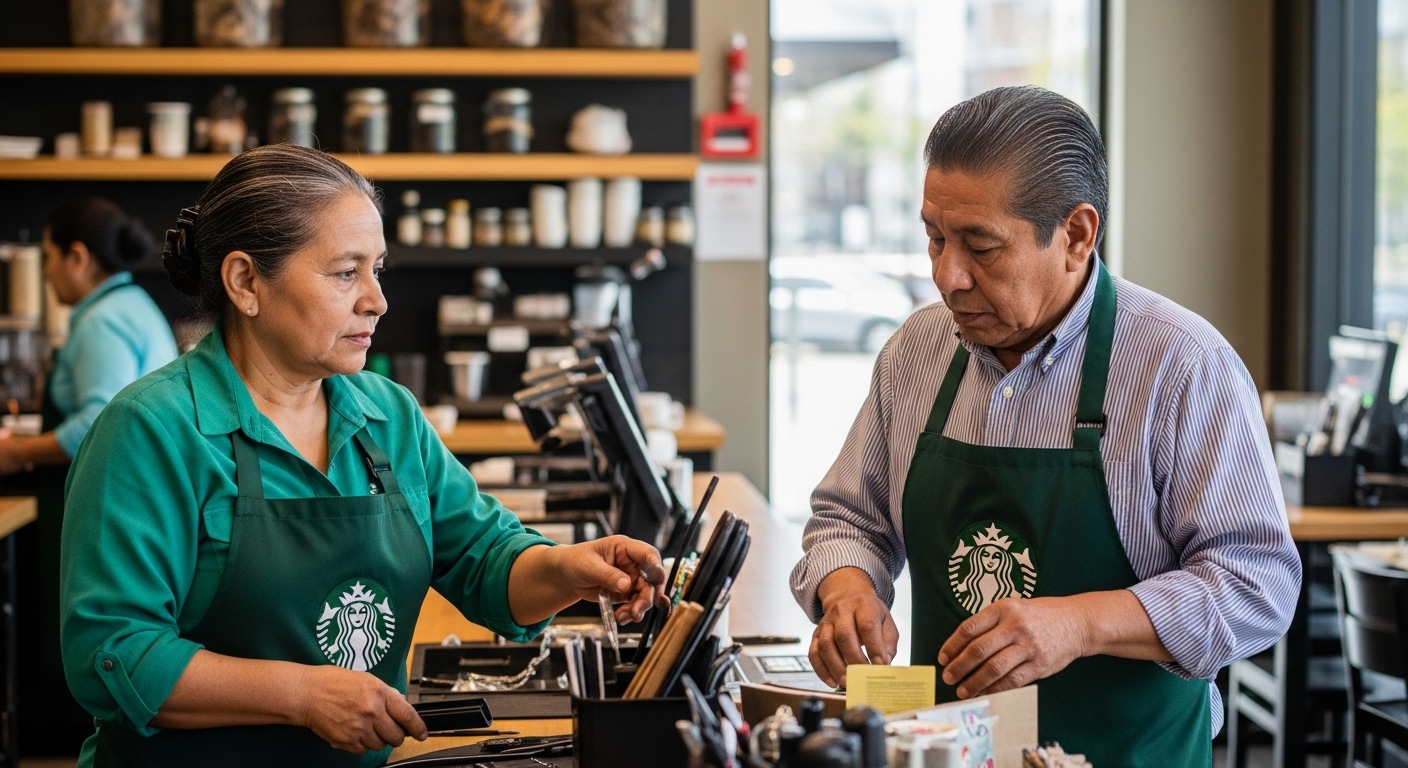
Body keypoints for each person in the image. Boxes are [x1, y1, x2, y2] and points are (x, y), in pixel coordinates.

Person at [59, 144, 666, 768]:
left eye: (377, 270)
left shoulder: (387, 414)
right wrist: (301, 696)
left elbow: (486, 561)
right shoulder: (151, 429)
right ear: (245, 282)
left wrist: (567, 569)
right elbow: (113, 653)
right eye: (345, 273)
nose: (376, 300)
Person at [789, 86, 1301, 766]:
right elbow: (848, 518)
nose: (947, 276)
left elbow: (1256, 584)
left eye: (981, 246)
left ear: (1076, 236)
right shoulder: (917, 351)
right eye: (935, 238)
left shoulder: (1181, 365)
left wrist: (1082, 623)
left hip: (1128, 754)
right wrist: (848, 588)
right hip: (952, 751)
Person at [4, 198, 178, 751]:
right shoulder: (130, 303)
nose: (47, 272)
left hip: (107, 497)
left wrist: (15, 452)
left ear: (78, 258)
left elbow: (93, 423)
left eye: (50, 257)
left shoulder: (103, 321)